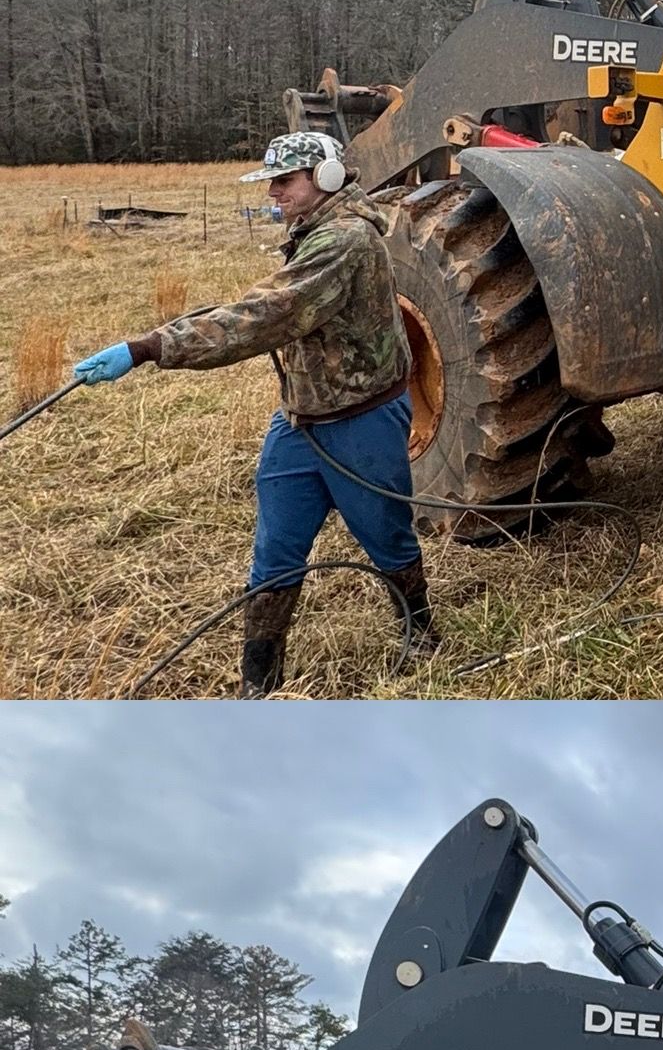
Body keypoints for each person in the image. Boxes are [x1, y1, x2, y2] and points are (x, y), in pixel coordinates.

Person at [73, 130, 433, 696]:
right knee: (275, 550)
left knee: (387, 539)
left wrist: (149, 348)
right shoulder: (311, 230)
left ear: (325, 177)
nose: (272, 192)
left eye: (284, 181)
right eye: (270, 181)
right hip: (300, 420)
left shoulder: (345, 240)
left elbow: (268, 315)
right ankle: (258, 684)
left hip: (361, 420)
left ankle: (422, 634)